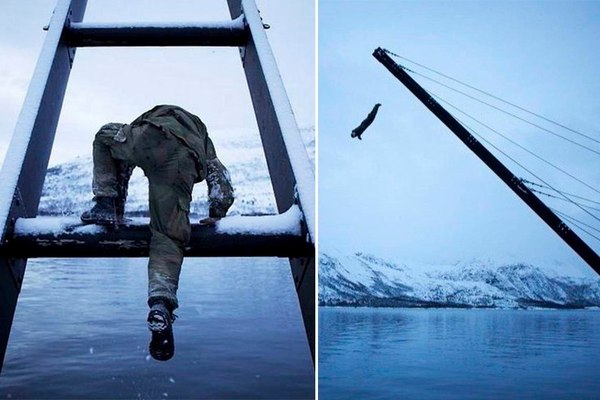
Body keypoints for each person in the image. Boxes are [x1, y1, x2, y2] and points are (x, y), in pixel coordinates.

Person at [81, 104, 235, 361]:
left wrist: (114, 206)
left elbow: (121, 161)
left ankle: (104, 204)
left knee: (104, 137)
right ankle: (161, 304)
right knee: (168, 237)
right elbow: (220, 179)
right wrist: (217, 213)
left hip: (148, 137)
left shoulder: (144, 124)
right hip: (181, 161)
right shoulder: (200, 134)